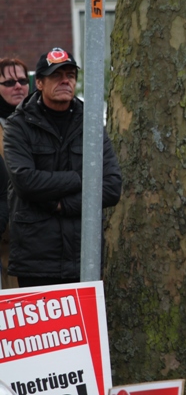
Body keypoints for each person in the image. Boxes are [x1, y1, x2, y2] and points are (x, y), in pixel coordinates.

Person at [3, 47, 122, 287]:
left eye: (70, 75)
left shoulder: (90, 123)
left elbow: (111, 187)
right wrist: (83, 178)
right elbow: (25, 182)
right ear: (40, 83)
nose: (65, 80)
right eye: (57, 75)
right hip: (35, 260)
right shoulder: (19, 125)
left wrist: (62, 204)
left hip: (83, 256)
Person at [0, 58, 28, 289]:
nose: (18, 86)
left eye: (22, 80)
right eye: (9, 82)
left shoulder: (40, 118)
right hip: (6, 233)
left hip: (40, 229)